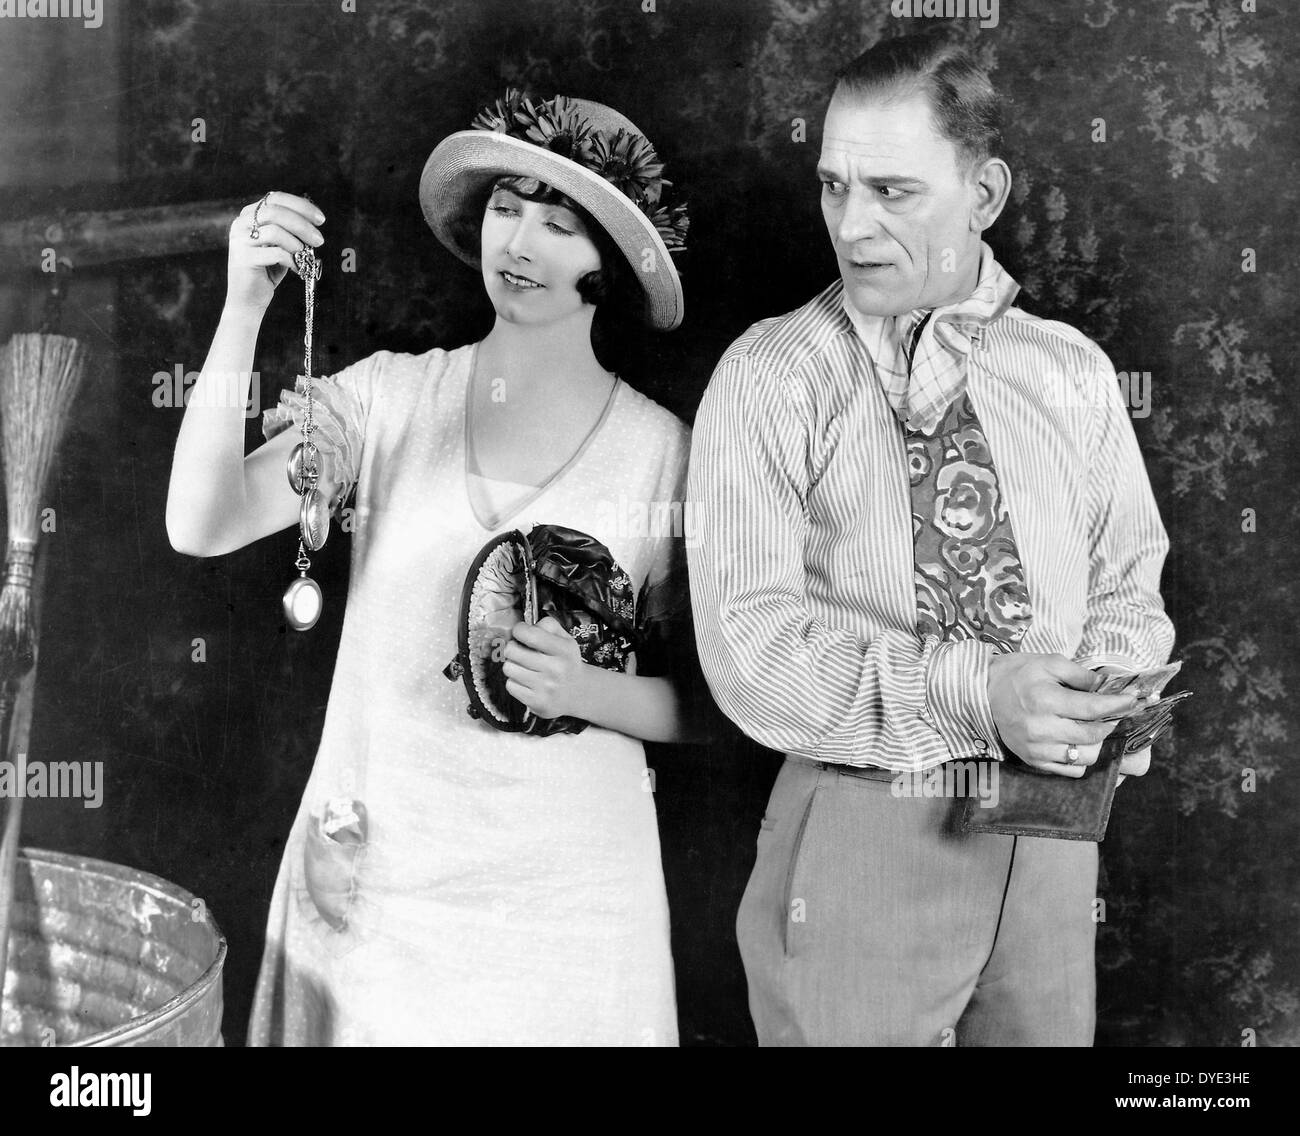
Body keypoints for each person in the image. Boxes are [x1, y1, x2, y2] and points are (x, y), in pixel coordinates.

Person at [166, 90, 701, 1046]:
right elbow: (199, 523)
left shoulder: (666, 454)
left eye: (559, 223)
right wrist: (245, 304)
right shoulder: (387, 400)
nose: (522, 244)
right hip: (382, 889)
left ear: (608, 264)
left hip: (570, 917)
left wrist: (586, 688)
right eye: (506, 208)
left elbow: (718, 706)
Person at [686, 31, 1175, 1046]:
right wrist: (979, 692)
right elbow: (752, 657)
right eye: (832, 186)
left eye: (893, 191)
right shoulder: (771, 373)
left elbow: (1129, 584)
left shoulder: (1069, 370)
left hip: (1050, 837)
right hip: (861, 828)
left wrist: (1092, 700)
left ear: (983, 193)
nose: (851, 225)